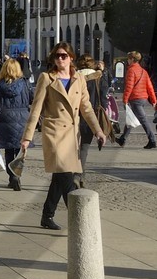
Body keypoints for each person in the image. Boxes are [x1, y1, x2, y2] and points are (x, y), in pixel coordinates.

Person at [20, 42, 106, 231]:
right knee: (66, 176)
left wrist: (98, 130)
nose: (60, 59)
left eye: (63, 55)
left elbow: (87, 109)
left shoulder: (79, 80)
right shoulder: (47, 78)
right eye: (57, 56)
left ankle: (47, 215)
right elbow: (36, 109)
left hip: (72, 135)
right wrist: (27, 137)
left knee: (60, 177)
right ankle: (80, 220)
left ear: (71, 58)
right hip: (54, 133)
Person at [0, 57, 31, 190]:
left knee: (9, 151)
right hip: (23, 118)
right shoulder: (25, 83)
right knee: (20, 150)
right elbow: (32, 98)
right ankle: (17, 175)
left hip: (6, 119)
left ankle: (12, 177)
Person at [119, 51, 157, 150]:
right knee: (131, 118)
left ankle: (152, 140)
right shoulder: (143, 71)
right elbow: (149, 86)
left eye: (128, 59)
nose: (127, 60)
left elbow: (129, 87)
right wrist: (153, 99)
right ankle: (122, 138)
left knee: (143, 120)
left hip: (135, 99)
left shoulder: (131, 71)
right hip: (143, 98)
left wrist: (125, 99)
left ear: (132, 59)